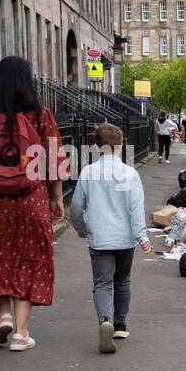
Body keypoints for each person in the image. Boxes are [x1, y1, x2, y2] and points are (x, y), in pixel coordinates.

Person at [0, 55, 67, 353]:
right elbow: (54, 160)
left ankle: (2, 315)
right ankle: (21, 334)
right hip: (32, 198)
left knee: (0, 257)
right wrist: (56, 199)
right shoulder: (40, 115)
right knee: (30, 261)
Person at [70, 123, 152, 354]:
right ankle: (120, 325)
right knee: (123, 280)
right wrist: (142, 235)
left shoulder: (88, 172)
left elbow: (76, 207)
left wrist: (82, 228)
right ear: (122, 144)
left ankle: (104, 320)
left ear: (97, 146)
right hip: (125, 238)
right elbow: (135, 208)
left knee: (102, 283)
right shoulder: (129, 173)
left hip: (100, 238)